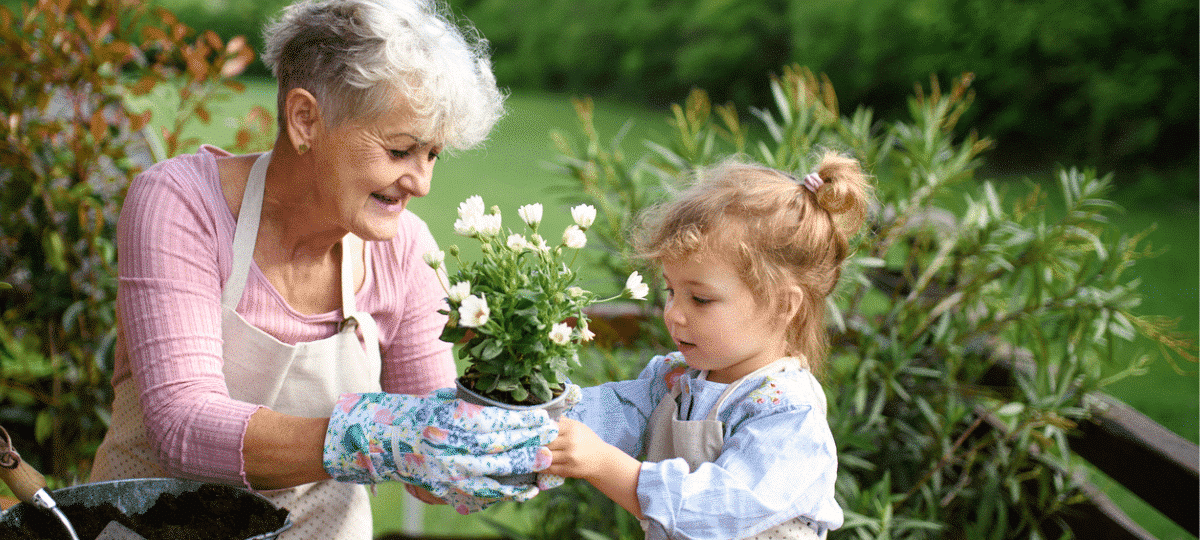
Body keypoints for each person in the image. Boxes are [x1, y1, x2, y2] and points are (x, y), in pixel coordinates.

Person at [88, 0, 557, 537]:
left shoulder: (405, 250)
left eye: (433, 155)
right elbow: (184, 427)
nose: (421, 183)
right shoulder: (182, 205)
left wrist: (502, 448)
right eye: (401, 150)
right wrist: (371, 437)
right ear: (305, 119)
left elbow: (426, 470)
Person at [544, 152, 872, 539]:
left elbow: (717, 511)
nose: (674, 314)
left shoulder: (788, 414)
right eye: (670, 290)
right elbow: (611, 413)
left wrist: (604, 464)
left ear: (784, 305)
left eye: (700, 299)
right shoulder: (675, 378)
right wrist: (535, 417)